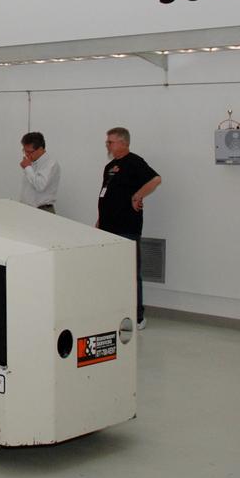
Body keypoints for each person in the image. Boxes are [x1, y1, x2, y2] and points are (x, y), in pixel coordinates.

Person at [96, 127, 161, 329]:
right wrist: (100, 219)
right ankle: (115, 312)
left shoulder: (134, 162)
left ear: (124, 143)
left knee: (131, 272)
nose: (108, 145)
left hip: (127, 227)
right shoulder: (109, 166)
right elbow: (106, 194)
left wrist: (137, 195)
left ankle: (138, 316)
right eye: (107, 142)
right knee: (112, 272)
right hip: (107, 227)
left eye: (111, 142)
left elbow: (156, 179)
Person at [18, 131, 60, 213]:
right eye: (24, 150)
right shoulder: (31, 162)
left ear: (40, 149)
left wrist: (27, 167)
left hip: (43, 211)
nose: (26, 154)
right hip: (27, 209)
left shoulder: (51, 164)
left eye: (29, 151)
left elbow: (40, 186)